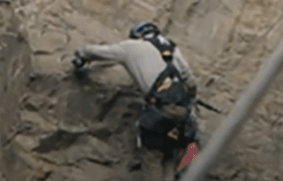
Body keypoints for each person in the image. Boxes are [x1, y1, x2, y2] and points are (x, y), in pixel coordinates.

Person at [74, 21, 200, 180]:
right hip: (183, 113)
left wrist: (81, 54)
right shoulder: (172, 49)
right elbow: (190, 82)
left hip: (161, 110)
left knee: (152, 155)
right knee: (171, 152)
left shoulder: (132, 46)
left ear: (137, 36)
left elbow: (100, 52)